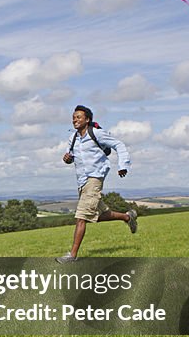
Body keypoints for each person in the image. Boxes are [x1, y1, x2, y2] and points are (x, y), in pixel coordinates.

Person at [58, 105, 137, 263]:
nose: (75, 119)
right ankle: (128, 217)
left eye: (79, 117)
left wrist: (123, 165)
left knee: (81, 217)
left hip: (95, 178)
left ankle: (72, 255)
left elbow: (119, 145)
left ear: (87, 119)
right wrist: (67, 159)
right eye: (74, 117)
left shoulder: (97, 134)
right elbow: (70, 157)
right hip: (82, 180)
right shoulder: (73, 138)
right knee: (99, 215)